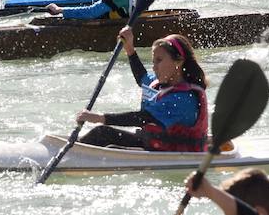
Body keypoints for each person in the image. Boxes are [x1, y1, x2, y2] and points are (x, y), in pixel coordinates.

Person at [76, 27, 208, 151]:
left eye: (159, 60)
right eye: (153, 61)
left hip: (174, 152)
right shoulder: (161, 84)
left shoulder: (184, 99)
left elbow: (144, 118)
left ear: (178, 62)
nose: (154, 67)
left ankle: (73, 154)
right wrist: (129, 49)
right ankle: (75, 149)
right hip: (151, 143)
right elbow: (142, 77)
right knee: (102, 133)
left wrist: (100, 117)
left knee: (107, 142)